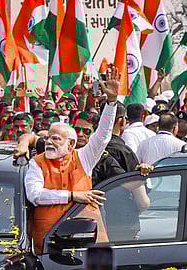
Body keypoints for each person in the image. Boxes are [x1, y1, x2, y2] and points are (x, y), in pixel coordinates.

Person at [24, 67, 119, 255]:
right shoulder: (37, 162)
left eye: (56, 139)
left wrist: (111, 102)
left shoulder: (84, 157)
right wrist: (73, 196)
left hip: (86, 241)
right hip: (49, 245)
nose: (49, 141)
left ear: (71, 144)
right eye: (49, 137)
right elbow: (35, 195)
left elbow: (102, 136)